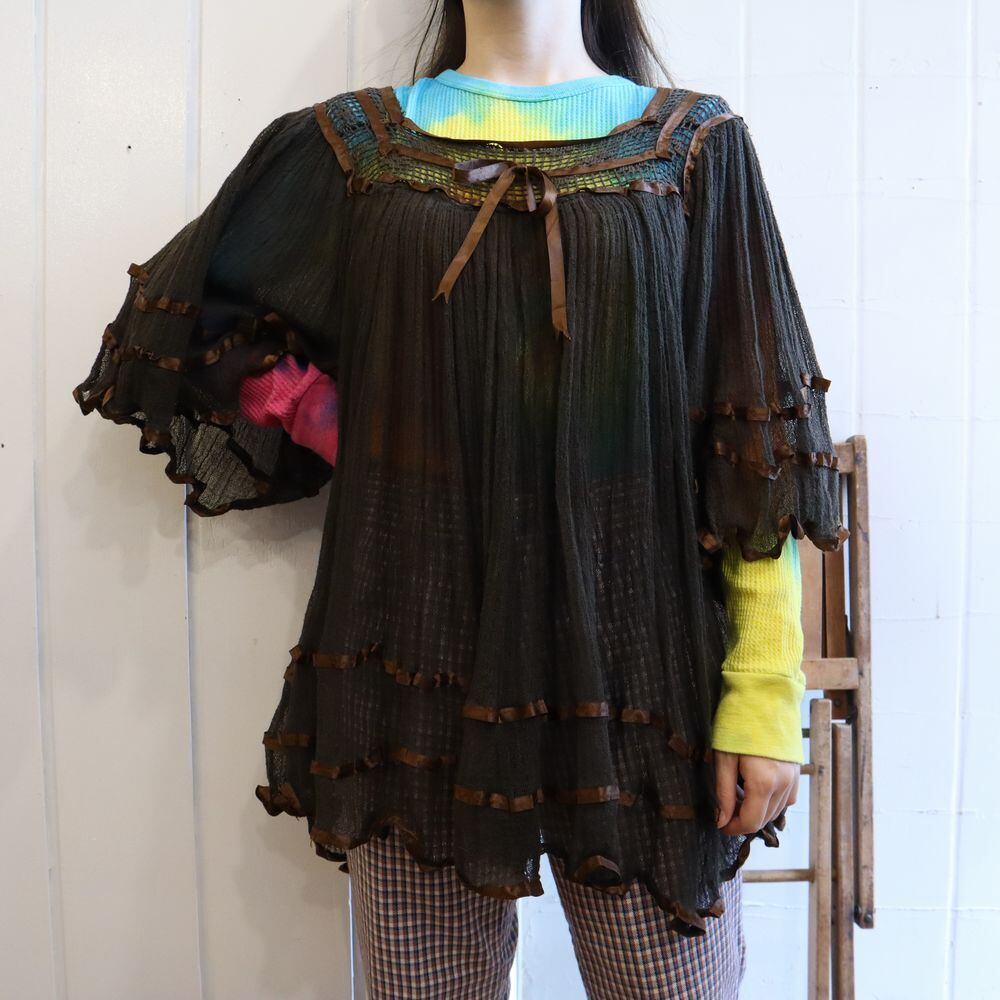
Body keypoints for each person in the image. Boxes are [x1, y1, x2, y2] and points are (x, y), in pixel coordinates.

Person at [71, 1, 848, 996]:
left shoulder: (696, 149)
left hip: (645, 662)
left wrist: (764, 693)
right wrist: (351, 425)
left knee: (670, 980)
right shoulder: (355, 152)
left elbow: (756, 437)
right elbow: (190, 323)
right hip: (414, 648)